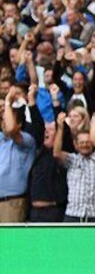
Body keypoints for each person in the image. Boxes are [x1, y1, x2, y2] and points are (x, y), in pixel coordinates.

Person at [54, 112, 95, 222]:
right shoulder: (72, 160)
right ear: (76, 144)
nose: (85, 145)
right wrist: (60, 128)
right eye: (82, 142)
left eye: (88, 142)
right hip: (73, 214)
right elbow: (56, 153)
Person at [0, 88, 36, 222]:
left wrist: (8, 102)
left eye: (8, 117)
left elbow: (10, 129)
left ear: (19, 124)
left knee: (9, 243)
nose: (4, 120)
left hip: (12, 203)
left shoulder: (27, 140)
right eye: (3, 118)